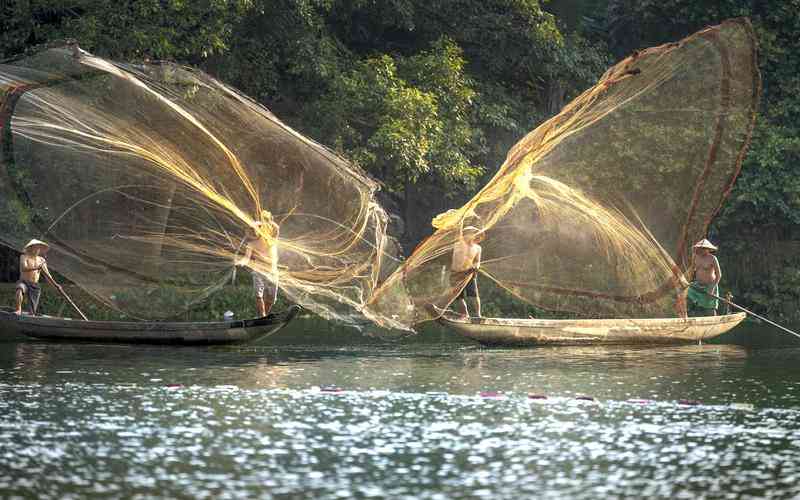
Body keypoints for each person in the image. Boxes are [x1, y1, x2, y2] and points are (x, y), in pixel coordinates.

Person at [236, 215, 280, 317]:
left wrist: (267, 221)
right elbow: (246, 258)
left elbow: (277, 228)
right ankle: (262, 315)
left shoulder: (272, 241)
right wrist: (242, 262)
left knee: (272, 298)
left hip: (272, 272)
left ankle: (262, 317)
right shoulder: (251, 244)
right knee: (258, 294)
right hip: (258, 271)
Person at [14, 239, 56, 315]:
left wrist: (55, 285)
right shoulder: (24, 256)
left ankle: (31, 315)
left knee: (32, 312)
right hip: (24, 282)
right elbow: (24, 268)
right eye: (36, 248)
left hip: (34, 284)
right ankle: (18, 310)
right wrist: (36, 267)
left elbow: (47, 275)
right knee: (20, 289)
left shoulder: (41, 260)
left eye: (39, 248)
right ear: (31, 248)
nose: (37, 250)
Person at [450, 226, 483, 318]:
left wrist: (476, 266)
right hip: (456, 274)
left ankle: (478, 315)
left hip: (469, 273)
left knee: (473, 294)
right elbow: (457, 232)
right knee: (458, 296)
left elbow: (477, 261)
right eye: (466, 233)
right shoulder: (458, 244)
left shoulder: (478, 248)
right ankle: (464, 314)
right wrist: (461, 220)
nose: (468, 235)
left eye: (471, 233)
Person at [686, 238, 721, 316]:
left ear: (707, 249)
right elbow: (691, 270)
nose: (699, 250)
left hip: (710, 286)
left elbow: (719, 275)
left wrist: (712, 287)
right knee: (686, 292)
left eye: (702, 249)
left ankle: (714, 321)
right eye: (699, 248)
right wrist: (686, 280)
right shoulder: (695, 257)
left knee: (710, 310)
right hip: (698, 285)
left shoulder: (712, 258)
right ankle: (689, 314)